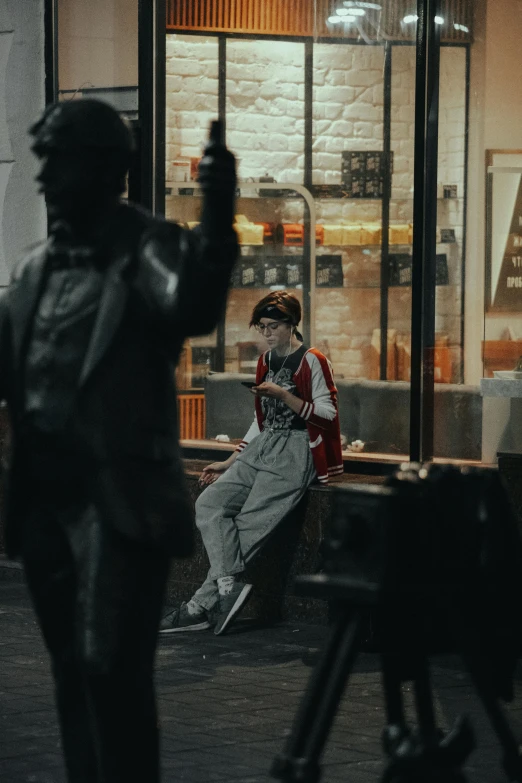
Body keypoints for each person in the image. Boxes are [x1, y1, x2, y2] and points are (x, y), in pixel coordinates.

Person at [0, 99, 237, 783]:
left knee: (112, 668)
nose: (41, 176)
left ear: (104, 168)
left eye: (55, 160)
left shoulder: (147, 245)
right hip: (45, 499)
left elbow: (192, 302)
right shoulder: (34, 265)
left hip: (116, 499)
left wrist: (216, 215)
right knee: (72, 669)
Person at [160, 291, 343, 636]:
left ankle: (201, 604)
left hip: (296, 449)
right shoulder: (265, 362)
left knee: (247, 526)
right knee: (209, 502)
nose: (268, 334)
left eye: (273, 326)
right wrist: (231, 460)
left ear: (292, 324)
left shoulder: (312, 360)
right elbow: (261, 421)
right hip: (263, 445)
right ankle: (228, 589)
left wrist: (285, 395)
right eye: (262, 328)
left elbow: (329, 414)